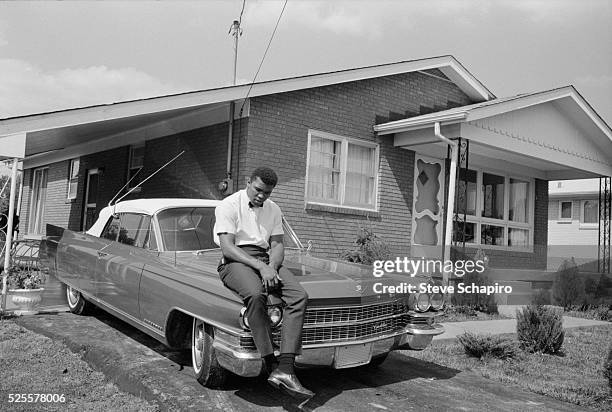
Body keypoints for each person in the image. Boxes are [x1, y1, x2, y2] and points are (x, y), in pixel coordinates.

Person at [213, 167, 314, 399]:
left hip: (266, 259)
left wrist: (271, 266)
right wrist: (261, 267)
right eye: (258, 190)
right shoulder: (228, 205)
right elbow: (227, 247)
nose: (261, 196)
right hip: (234, 260)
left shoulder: (274, 209)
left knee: (299, 296)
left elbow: (278, 244)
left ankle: (286, 369)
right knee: (256, 294)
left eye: (267, 193)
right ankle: (270, 363)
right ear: (248, 182)